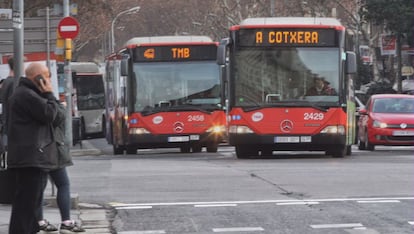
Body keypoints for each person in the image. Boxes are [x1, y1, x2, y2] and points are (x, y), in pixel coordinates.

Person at [7, 62, 59, 234]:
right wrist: (50, 93)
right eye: (46, 75)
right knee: (27, 204)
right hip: (32, 158)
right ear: (38, 77)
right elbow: (50, 114)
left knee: (31, 203)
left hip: (30, 157)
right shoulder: (28, 95)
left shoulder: (26, 94)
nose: (48, 79)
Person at [37, 102, 85, 233]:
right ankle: (66, 221)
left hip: (38, 151)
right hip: (54, 150)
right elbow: (60, 116)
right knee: (63, 184)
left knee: (38, 188)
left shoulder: (30, 102)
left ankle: (39, 221)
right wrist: (53, 98)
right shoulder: (50, 104)